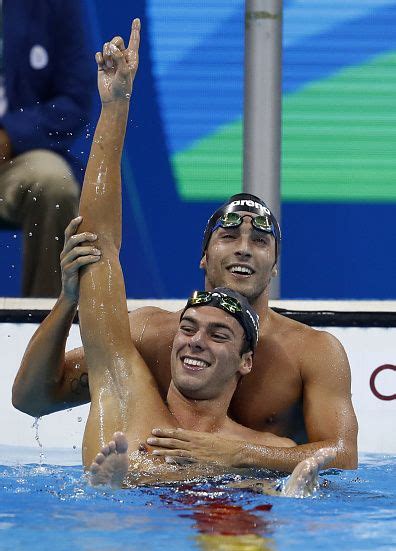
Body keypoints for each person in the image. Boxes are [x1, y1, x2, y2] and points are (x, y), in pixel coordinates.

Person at [12, 17, 358, 472]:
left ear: (275, 265)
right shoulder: (152, 335)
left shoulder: (312, 354)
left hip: (243, 499)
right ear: (203, 255)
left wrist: (238, 455)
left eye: (259, 240)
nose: (243, 248)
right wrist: (115, 106)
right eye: (228, 235)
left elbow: (342, 456)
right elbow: (36, 397)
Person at [0, 0, 95, 296]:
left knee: (54, 183)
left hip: (16, 156)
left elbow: (74, 101)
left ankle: (45, 323)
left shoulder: (54, 5)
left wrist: (9, 135)